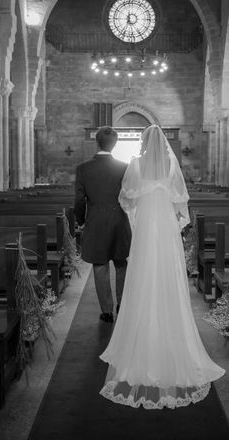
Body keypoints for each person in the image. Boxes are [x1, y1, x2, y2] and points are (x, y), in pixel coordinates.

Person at [99, 125, 225, 409]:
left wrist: (139, 212)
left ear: (144, 142)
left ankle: (140, 341)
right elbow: (181, 203)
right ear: (164, 144)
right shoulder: (170, 164)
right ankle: (172, 339)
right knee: (168, 279)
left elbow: (126, 198)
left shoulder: (136, 164)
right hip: (166, 231)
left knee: (143, 278)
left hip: (145, 230)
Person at [74, 126, 132, 323]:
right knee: (121, 262)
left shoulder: (83, 169)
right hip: (119, 220)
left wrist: (81, 221)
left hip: (96, 221)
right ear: (115, 144)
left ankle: (106, 311)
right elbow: (129, 197)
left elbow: (79, 201)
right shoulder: (125, 167)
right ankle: (123, 305)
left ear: (97, 142)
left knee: (100, 265)